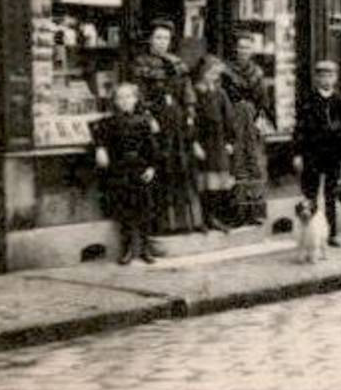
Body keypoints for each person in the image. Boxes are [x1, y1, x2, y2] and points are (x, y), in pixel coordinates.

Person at [132, 19, 202, 237]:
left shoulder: (177, 63)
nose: (162, 42)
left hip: (177, 123)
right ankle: (161, 224)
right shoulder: (142, 63)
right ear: (150, 39)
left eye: (166, 38)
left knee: (180, 167)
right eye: (158, 37)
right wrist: (147, 116)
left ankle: (182, 222)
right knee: (161, 167)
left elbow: (188, 92)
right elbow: (138, 94)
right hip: (156, 123)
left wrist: (190, 113)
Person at [93, 82, 158, 265]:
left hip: (140, 168)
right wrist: (100, 149)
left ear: (136, 99)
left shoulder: (144, 121)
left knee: (145, 209)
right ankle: (127, 249)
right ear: (115, 101)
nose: (125, 101)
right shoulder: (109, 122)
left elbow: (152, 147)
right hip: (120, 169)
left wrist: (151, 167)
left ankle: (145, 248)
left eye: (128, 97)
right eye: (120, 98)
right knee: (125, 210)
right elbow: (98, 136)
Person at [293, 59, 341, 247]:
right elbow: (299, 129)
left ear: (335, 78)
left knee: (331, 196)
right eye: (322, 75)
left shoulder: (339, 100)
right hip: (312, 154)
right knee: (310, 195)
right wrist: (297, 154)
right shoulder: (308, 100)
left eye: (330, 75)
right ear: (316, 78)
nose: (326, 79)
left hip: (333, 155)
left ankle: (330, 233)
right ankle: (308, 235)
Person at [224, 46, 271, 227]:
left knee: (255, 165)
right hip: (235, 121)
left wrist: (260, 117)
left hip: (252, 123)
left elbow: (263, 101)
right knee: (238, 166)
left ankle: (254, 212)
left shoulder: (257, 73)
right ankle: (237, 213)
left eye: (246, 47)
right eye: (240, 47)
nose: (243, 51)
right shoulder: (227, 71)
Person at [192, 57, 235, 233]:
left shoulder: (220, 93)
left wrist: (230, 141)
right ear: (203, 73)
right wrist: (194, 142)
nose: (213, 76)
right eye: (210, 73)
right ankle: (202, 219)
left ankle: (215, 217)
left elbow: (229, 118)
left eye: (216, 74)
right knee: (203, 182)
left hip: (218, 142)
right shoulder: (195, 93)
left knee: (217, 183)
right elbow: (191, 120)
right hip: (203, 142)